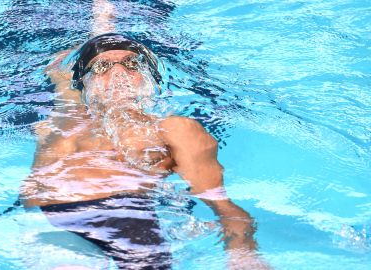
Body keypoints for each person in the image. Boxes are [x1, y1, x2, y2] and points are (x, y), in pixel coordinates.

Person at [20, 0, 269, 269]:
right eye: (102, 68)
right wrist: (103, 15)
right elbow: (71, 61)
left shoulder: (174, 128)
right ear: (85, 82)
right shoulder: (67, 111)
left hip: (126, 219)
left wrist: (244, 255)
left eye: (132, 65)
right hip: (41, 219)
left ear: (150, 79)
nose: (118, 73)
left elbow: (224, 208)